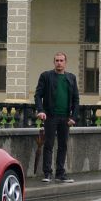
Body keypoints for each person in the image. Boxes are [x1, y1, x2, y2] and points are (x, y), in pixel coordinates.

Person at [34, 52, 79, 183]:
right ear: (54, 62)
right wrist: (40, 110)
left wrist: (73, 117)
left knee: (63, 145)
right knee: (49, 144)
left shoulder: (71, 78)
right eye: (57, 60)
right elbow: (38, 95)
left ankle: (60, 173)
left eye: (61, 60)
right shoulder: (46, 76)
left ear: (65, 63)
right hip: (50, 116)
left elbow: (76, 99)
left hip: (65, 118)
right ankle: (47, 173)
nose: (59, 63)